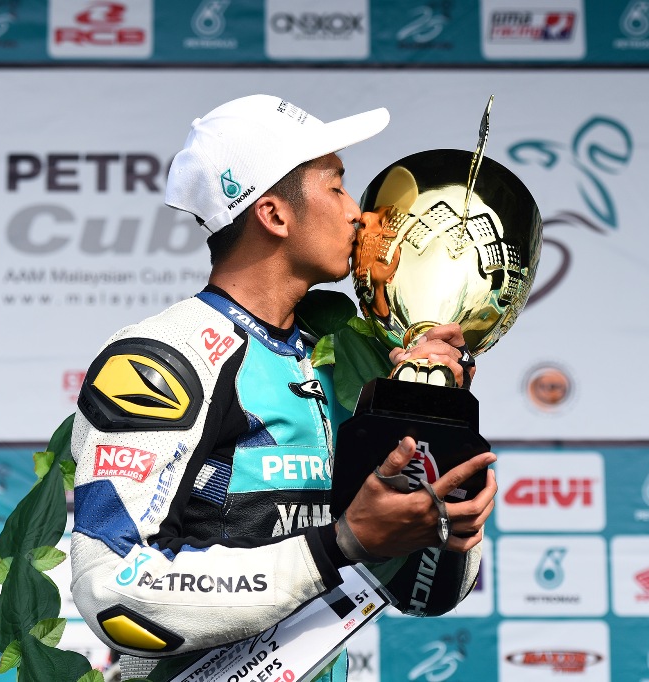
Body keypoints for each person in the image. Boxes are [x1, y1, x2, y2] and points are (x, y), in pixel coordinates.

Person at [69, 94, 497, 681]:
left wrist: (436, 439)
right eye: (337, 187)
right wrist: (337, 546)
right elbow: (113, 587)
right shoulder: (164, 358)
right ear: (274, 215)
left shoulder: (350, 358)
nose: (360, 214)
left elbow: (424, 595)